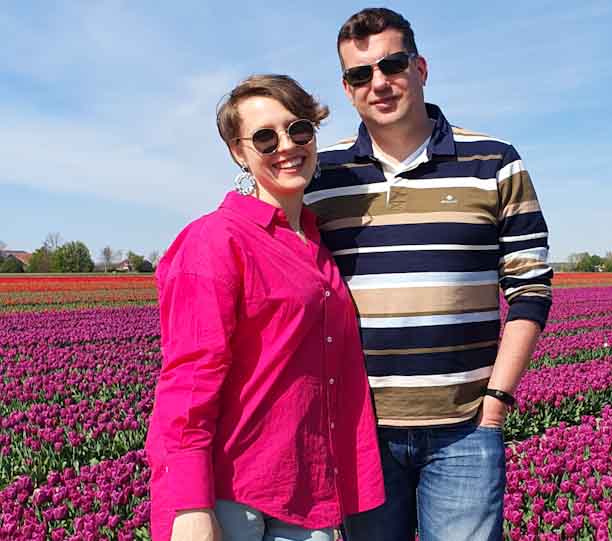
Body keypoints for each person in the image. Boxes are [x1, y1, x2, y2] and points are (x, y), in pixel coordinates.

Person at [305, 8, 553, 541]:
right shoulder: (321, 177)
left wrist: (496, 402)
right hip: (358, 429)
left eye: (392, 64)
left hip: (465, 426)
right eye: (359, 74)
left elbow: (531, 287)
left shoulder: (495, 162)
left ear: (420, 67)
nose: (379, 83)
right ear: (346, 89)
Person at [146, 74, 384, 541]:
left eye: (299, 130)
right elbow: (188, 380)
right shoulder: (216, 241)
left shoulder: (315, 243)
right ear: (239, 151)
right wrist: (190, 505)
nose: (286, 146)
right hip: (235, 496)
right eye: (264, 137)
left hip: (307, 490)